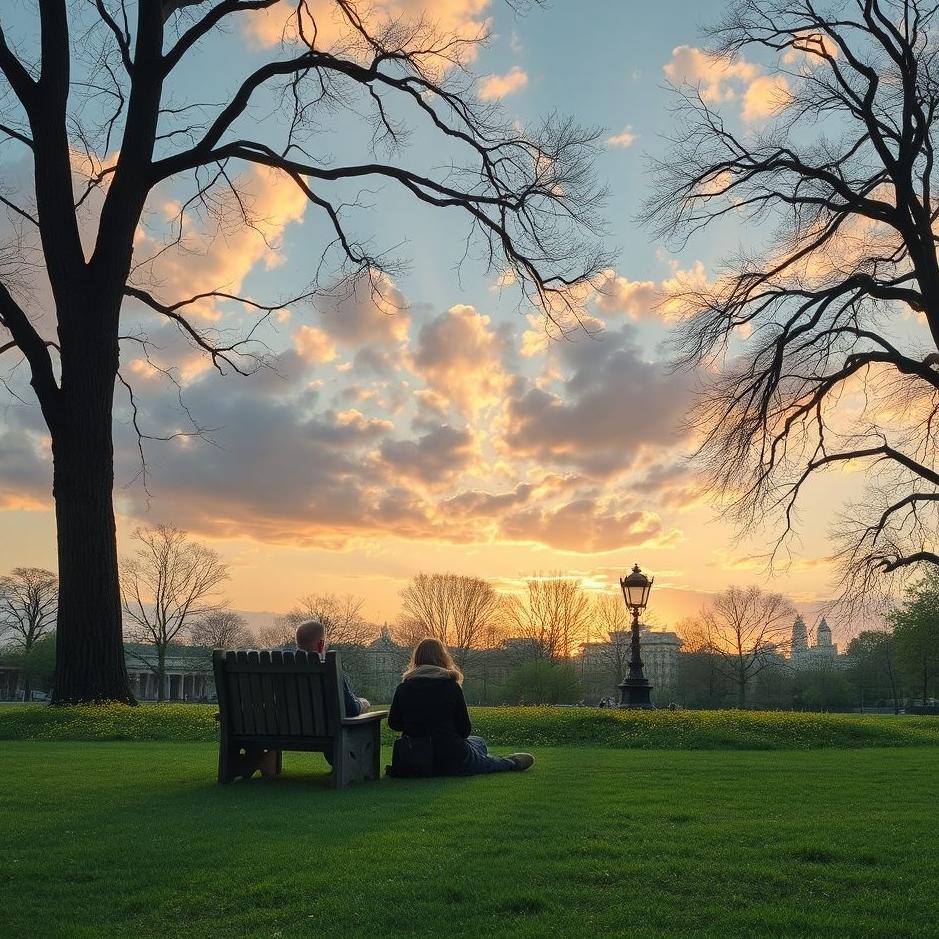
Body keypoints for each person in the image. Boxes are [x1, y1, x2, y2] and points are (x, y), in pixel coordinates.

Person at [388, 637, 534, 776]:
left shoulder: (404, 688)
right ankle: (510, 762)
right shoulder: (451, 686)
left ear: (417, 659)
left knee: (479, 742)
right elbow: (464, 730)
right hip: (450, 754)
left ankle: (480, 756)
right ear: (442, 658)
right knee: (484, 754)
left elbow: (394, 723)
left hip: (416, 756)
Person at [295, 619, 370, 716]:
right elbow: (351, 709)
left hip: (287, 730)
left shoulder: (283, 669)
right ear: (321, 644)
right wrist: (362, 703)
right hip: (328, 730)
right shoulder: (330, 669)